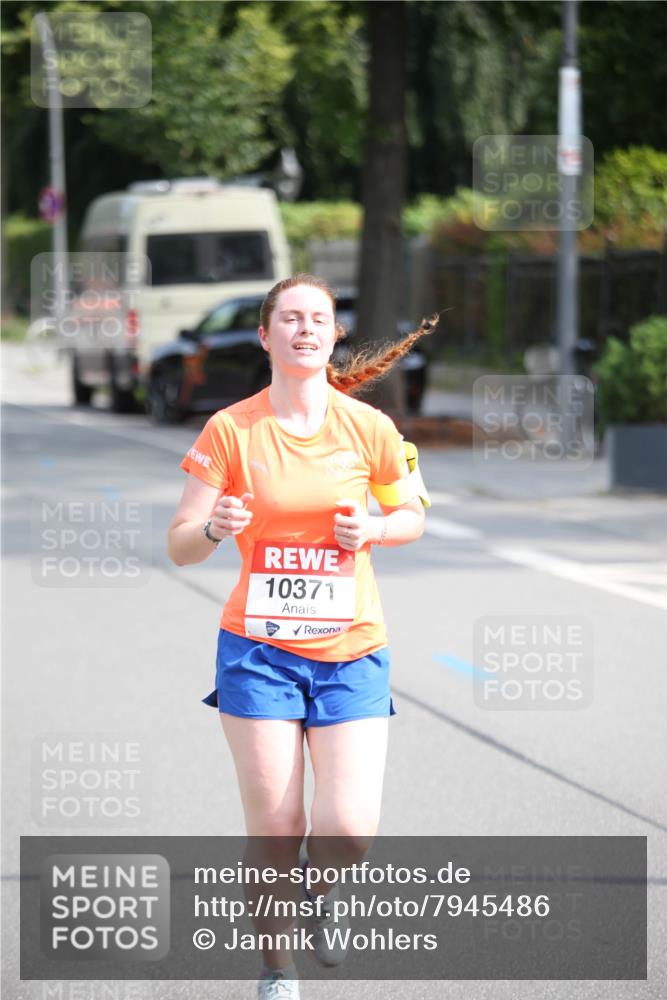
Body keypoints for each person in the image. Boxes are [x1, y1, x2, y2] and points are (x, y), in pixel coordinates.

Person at [167, 274, 437, 999]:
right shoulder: (231, 429)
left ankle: (324, 890)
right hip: (257, 652)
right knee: (277, 824)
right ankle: (276, 972)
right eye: (289, 318)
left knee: (346, 828)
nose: (305, 328)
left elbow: (410, 515)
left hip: (351, 649)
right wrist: (214, 528)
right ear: (266, 336)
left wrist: (376, 527)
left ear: (332, 335)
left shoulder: (369, 428)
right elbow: (180, 543)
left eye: (318, 318)